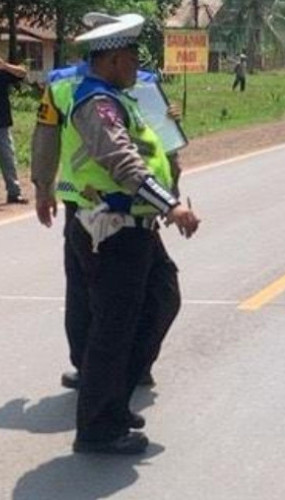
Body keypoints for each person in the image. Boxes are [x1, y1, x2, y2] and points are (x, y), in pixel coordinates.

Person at [64, 13, 199, 454]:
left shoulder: (120, 98)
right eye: (133, 57)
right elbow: (124, 163)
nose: (136, 64)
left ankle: (112, 403)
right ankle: (99, 427)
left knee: (162, 298)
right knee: (113, 329)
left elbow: (153, 150)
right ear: (117, 59)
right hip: (113, 230)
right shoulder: (96, 104)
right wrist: (172, 206)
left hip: (135, 228)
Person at [32, 13, 182, 392]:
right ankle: (92, 371)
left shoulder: (142, 81)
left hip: (139, 202)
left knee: (157, 292)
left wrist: (168, 189)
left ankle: (127, 367)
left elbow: (153, 142)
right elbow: (46, 135)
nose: (135, 58)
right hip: (87, 202)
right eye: (129, 49)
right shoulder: (64, 85)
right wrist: (42, 185)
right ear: (108, 52)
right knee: (87, 296)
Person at [0, 57, 28, 204]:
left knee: (8, 159)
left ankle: (14, 193)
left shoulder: (2, 72)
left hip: (2, 124)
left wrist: (5, 66)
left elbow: (23, 73)